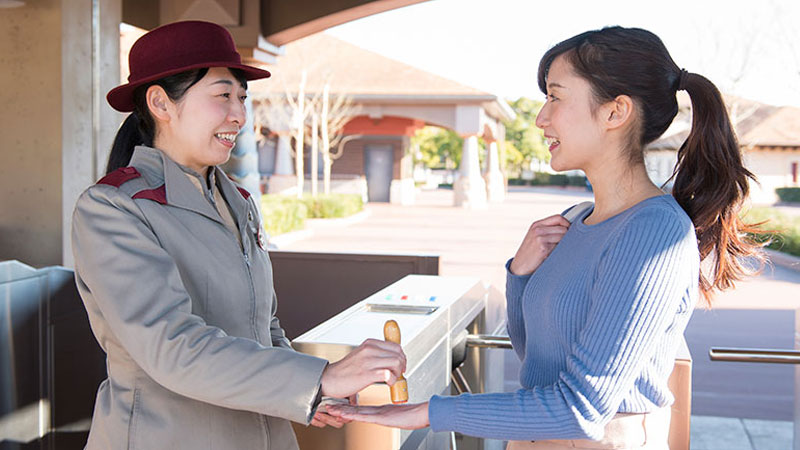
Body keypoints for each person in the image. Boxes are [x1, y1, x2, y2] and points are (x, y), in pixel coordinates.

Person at [327, 26, 764, 449]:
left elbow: (580, 408)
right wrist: (520, 274)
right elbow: (536, 361)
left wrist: (428, 412)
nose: (540, 118)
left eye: (555, 97)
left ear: (615, 112)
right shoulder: (574, 221)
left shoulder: (653, 231)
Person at [71, 20, 406, 450]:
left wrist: (313, 394)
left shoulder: (238, 202)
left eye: (242, 98)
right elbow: (171, 346)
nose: (240, 115)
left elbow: (263, 326)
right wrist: (320, 377)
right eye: (223, 96)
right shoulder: (114, 207)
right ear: (161, 103)